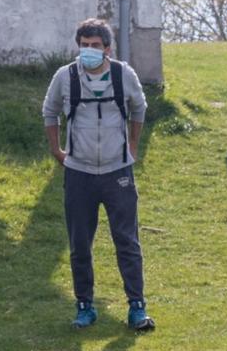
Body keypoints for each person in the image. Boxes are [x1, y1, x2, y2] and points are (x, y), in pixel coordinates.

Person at [42, 19, 154, 332]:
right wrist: (56, 150)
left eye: (95, 45)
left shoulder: (123, 74)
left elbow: (139, 108)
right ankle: (85, 306)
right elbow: (49, 112)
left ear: (107, 48)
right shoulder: (65, 76)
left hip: (118, 172)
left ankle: (136, 306)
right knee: (80, 243)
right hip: (79, 173)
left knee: (127, 241)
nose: (88, 51)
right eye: (84, 45)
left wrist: (132, 145)